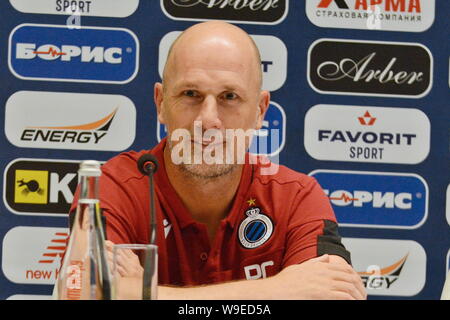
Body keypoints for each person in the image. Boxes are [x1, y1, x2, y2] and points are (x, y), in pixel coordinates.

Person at [70, 21, 366, 300]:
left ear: (260, 110)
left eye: (229, 96)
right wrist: (278, 289)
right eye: (190, 94)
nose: (207, 120)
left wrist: (145, 291)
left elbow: (330, 293)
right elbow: (84, 290)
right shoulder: (114, 186)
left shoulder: (296, 197)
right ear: (161, 103)